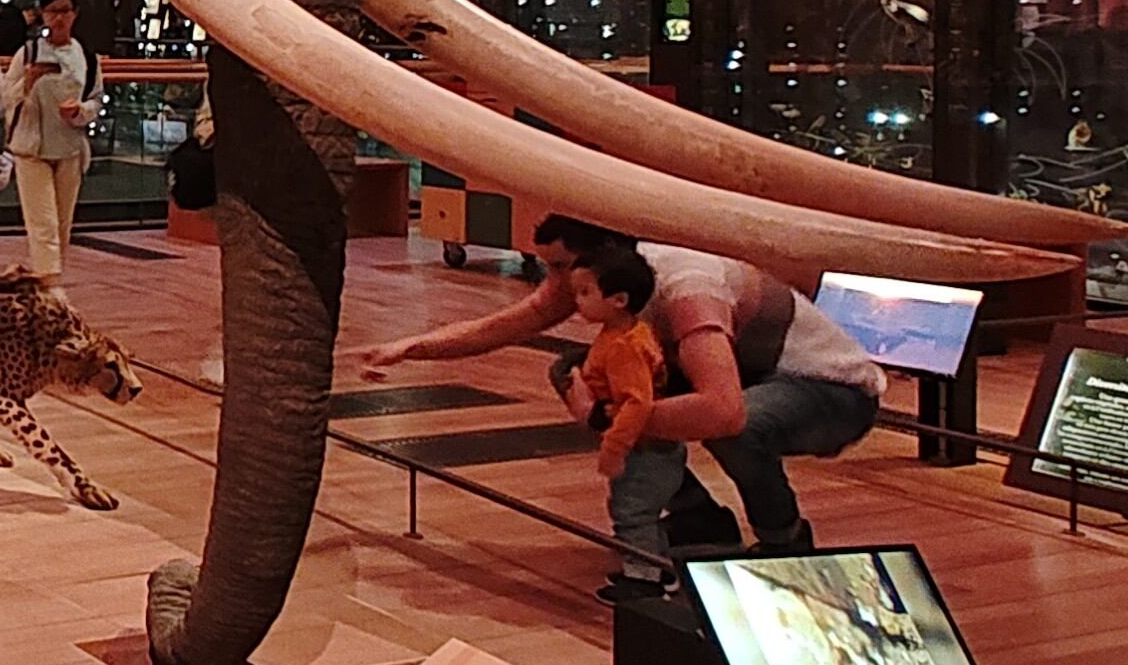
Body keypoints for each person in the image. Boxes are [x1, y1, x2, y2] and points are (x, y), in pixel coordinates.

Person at [363, 214, 884, 589]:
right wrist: (413, 348)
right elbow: (510, 324)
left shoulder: (686, 285)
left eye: (562, 267)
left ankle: (784, 543)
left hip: (831, 392)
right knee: (576, 370)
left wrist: (608, 416)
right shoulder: (604, 278)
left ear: (601, 257)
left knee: (735, 429)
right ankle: (700, 523)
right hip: (753, 382)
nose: (557, 283)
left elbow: (724, 409)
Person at [2, 0, 101, 295]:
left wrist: (80, 112)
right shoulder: (28, 53)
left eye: (65, 11)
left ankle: (46, 282)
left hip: (70, 148)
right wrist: (27, 83)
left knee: (61, 223)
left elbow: (96, 99)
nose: (59, 18)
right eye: (52, 11)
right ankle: (51, 285)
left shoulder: (87, 56)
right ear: (42, 15)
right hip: (32, 149)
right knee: (42, 220)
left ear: (75, 14)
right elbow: (4, 97)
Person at [572, 245, 665, 494]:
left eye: (585, 292)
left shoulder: (624, 347)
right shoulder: (621, 333)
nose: (577, 300)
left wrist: (614, 449)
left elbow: (637, 402)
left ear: (619, 300)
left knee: (631, 514)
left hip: (636, 445)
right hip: (634, 439)